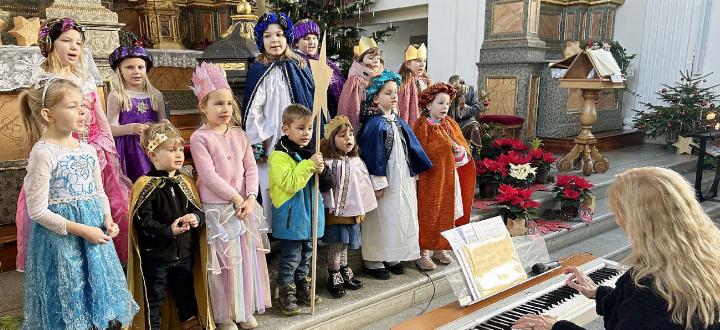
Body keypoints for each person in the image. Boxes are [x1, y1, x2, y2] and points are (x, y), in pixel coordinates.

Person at [513, 167, 720, 330]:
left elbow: (646, 313)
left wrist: (557, 327)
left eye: (619, 212)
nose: (618, 220)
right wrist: (600, 293)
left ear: (639, 221)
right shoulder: (703, 258)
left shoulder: (651, 288)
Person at [19, 78, 138, 329]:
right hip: (62, 241)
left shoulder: (87, 150)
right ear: (48, 114)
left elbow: (99, 193)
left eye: (82, 106)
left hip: (95, 235)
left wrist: (108, 219)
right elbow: (38, 211)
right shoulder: (44, 153)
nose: (82, 112)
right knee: (70, 292)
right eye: (72, 107)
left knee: (97, 292)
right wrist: (83, 230)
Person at [16, 17, 132, 268]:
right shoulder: (43, 81)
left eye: (78, 43)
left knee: (113, 207)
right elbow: (41, 125)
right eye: (66, 41)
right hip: (59, 155)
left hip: (91, 151)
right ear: (49, 44)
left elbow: (98, 117)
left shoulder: (85, 76)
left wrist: (105, 148)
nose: (73, 47)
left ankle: (106, 264)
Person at [190, 62, 271, 330]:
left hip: (244, 208)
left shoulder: (239, 134)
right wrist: (236, 198)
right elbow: (209, 175)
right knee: (223, 264)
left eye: (228, 103)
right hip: (219, 209)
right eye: (218, 104)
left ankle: (243, 309)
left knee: (245, 260)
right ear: (203, 106)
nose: (225, 109)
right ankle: (225, 315)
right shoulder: (200, 138)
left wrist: (250, 197)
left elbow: (250, 167)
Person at [126, 123, 213, 330]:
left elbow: (199, 212)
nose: (178, 154)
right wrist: (168, 231)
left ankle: (190, 323)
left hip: (183, 254)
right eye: (171, 150)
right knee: (154, 297)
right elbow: (142, 222)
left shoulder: (185, 182)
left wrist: (195, 217)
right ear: (153, 155)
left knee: (186, 293)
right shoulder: (145, 185)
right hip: (157, 256)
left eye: (180, 149)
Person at [243, 12, 315, 234]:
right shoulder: (258, 69)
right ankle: (273, 231)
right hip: (272, 138)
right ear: (260, 40)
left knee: (299, 178)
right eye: (267, 36)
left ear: (288, 37)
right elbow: (253, 108)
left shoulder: (300, 65)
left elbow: (310, 100)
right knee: (270, 183)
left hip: (297, 135)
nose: (274, 40)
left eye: (279, 35)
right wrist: (259, 141)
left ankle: (299, 227)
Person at [356, 70, 432, 279]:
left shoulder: (397, 121)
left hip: (401, 179)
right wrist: (378, 181)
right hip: (385, 180)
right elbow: (372, 155)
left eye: (395, 92)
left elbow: (410, 148)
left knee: (398, 215)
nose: (394, 96)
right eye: (388, 93)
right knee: (382, 216)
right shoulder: (374, 124)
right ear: (375, 97)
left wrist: (413, 173)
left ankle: (393, 254)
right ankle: (374, 258)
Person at [268, 104, 333, 315]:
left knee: (306, 255)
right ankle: (286, 292)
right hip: (292, 218)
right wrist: (309, 165)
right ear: (286, 129)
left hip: (311, 216)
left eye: (309, 128)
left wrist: (322, 172)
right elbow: (290, 183)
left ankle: (303, 287)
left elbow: (326, 185)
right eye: (300, 128)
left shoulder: (311, 153)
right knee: (291, 258)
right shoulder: (279, 156)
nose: (306, 133)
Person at [413, 82, 475, 271]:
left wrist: (458, 151)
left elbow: (464, 152)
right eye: (440, 103)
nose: (444, 107)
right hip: (429, 178)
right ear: (429, 105)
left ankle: (440, 247)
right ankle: (424, 251)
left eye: (447, 104)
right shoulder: (422, 126)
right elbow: (418, 152)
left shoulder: (450, 124)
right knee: (429, 213)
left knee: (446, 212)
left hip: (449, 177)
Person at [320, 115, 377, 298]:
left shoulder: (355, 160)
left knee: (345, 245)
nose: (348, 139)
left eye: (351, 135)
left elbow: (362, 185)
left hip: (352, 212)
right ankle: (333, 274)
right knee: (337, 244)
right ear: (331, 139)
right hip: (336, 213)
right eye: (342, 136)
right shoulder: (328, 162)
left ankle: (344, 269)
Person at [107, 44, 167, 182]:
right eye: (129, 67)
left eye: (140, 67)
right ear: (120, 70)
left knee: (155, 182)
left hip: (153, 146)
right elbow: (110, 129)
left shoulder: (156, 95)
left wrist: (164, 126)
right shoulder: (117, 96)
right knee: (136, 184)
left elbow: (162, 121)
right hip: (130, 150)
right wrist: (132, 128)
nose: (136, 71)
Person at [292, 18, 345, 117]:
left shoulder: (327, 62)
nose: (312, 42)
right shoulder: (297, 63)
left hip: (336, 117)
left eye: (315, 38)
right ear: (296, 42)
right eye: (306, 38)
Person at [337, 36, 383, 130]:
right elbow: (351, 108)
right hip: (364, 126)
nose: (376, 61)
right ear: (360, 59)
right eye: (371, 58)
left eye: (378, 58)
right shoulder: (355, 81)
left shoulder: (382, 77)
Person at [397, 43, 430, 126]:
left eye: (424, 61)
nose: (422, 64)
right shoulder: (405, 82)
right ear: (408, 64)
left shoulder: (425, 81)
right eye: (418, 61)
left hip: (425, 121)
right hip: (412, 123)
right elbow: (403, 108)